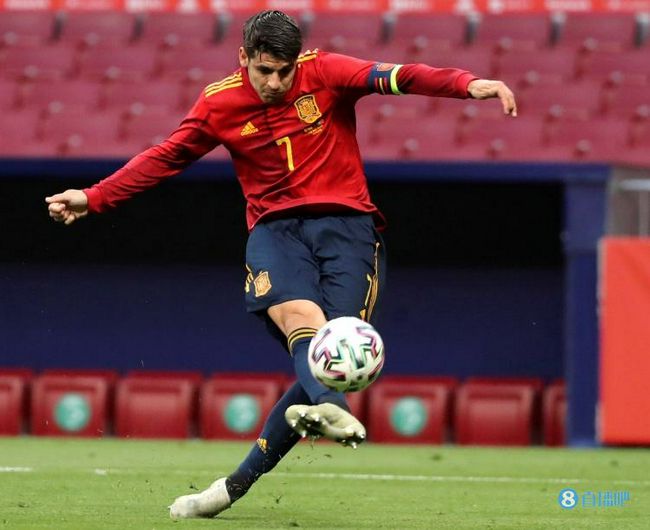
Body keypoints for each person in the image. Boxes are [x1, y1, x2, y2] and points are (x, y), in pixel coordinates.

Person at [45, 9, 517, 520]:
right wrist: (94, 197)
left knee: (332, 353)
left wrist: (470, 84)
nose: (274, 82)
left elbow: (398, 76)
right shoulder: (218, 103)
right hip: (275, 231)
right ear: (243, 57)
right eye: (264, 70)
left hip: (348, 227)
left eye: (284, 71)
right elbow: (165, 157)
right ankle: (332, 406)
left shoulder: (328, 72)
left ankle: (234, 485)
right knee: (306, 327)